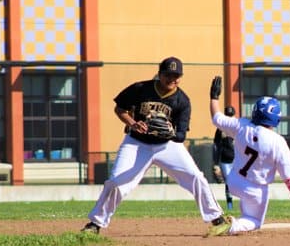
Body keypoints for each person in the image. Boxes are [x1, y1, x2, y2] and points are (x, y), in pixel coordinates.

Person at [81, 57, 228, 234]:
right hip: (136, 143)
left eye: (177, 75)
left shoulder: (182, 100)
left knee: (196, 176)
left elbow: (181, 136)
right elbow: (120, 109)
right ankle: (95, 223)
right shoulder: (140, 89)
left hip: (167, 146)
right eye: (168, 74)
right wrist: (133, 122)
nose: (172, 79)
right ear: (159, 74)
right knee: (116, 182)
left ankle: (217, 218)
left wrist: (171, 133)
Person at [206, 76, 290, 236]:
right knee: (254, 221)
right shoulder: (278, 141)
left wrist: (214, 98)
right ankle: (231, 225)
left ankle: (235, 220)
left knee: (246, 208)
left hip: (233, 181)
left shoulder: (241, 125)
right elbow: (287, 174)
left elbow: (217, 118)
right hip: (255, 189)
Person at [212, 106, 236, 210]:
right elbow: (216, 146)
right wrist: (216, 163)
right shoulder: (220, 129)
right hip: (225, 160)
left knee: (242, 181)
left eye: (231, 115)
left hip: (238, 160)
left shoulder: (238, 127)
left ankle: (246, 204)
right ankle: (230, 205)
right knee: (229, 181)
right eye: (228, 115)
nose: (229, 117)